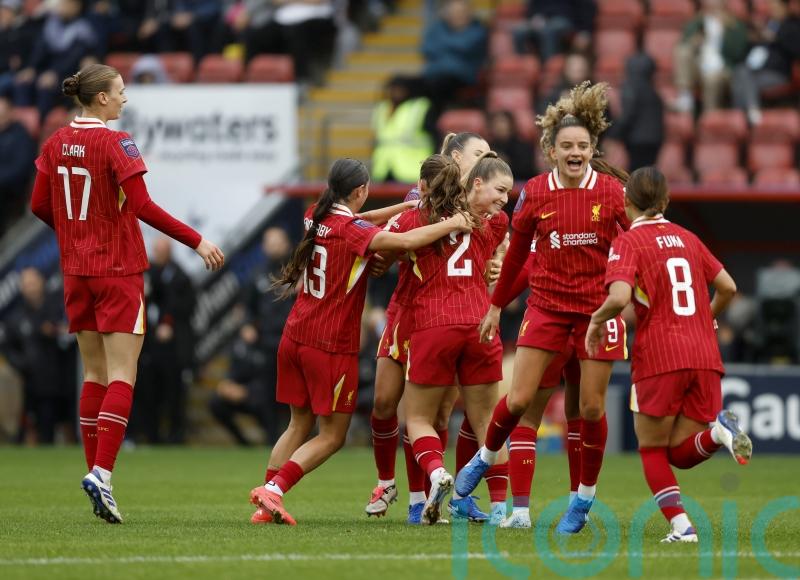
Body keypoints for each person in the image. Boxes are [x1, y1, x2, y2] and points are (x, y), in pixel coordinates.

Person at [29, 63, 224, 524]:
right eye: (119, 92)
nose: (124, 98)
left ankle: (96, 476)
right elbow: (143, 206)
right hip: (117, 271)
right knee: (122, 374)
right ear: (100, 99)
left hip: (76, 271)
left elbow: (39, 204)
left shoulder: (55, 142)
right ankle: (103, 473)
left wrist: (76, 236)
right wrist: (197, 241)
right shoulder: (117, 143)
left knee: (93, 374)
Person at [248, 158, 473, 526]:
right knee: (333, 436)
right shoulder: (352, 231)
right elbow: (404, 240)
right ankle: (274, 490)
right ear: (359, 192)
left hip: (294, 336)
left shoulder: (314, 215)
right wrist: (452, 222)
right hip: (329, 343)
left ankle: (266, 499)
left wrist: (404, 206)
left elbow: (363, 222)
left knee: (297, 425)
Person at [455, 81, 630, 535]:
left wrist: (642, 297)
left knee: (590, 410)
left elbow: (636, 245)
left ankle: (582, 502)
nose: (576, 152)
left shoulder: (611, 193)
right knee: (516, 400)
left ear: (592, 149)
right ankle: (485, 457)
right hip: (548, 308)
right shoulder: (534, 192)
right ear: (551, 150)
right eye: (567, 146)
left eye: (583, 146)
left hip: (596, 314)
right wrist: (495, 306)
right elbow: (516, 256)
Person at [585, 166, 750, 543]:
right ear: (666, 201)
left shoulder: (628, 241)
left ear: (626, 202)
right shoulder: (688, 237)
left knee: (652, 449)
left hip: (660, 354)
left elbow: (620, 298)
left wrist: (597, 321)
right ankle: (718, 434)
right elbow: (728, 287)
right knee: (678, 452)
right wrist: (701, 319)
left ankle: (682, 526)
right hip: (705, 354)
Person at [365, 131, 500, 525]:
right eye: (479, 152)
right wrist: (387, 257)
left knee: (439, 414)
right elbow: (395, 239)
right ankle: (388, 482)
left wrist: (497, 261)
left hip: (446, 315)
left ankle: (428, 499)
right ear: (455, 157)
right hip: (410, 309)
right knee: (387, 402)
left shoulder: (483, 200)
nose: (486, 158)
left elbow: (501, 243)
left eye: (489, 154)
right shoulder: (425, 192)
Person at [394, 152, 513, 525]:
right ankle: (501, 509)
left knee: (416, 418)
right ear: (472, 182)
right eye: (501, 190)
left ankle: (435, 473)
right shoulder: (492, 222)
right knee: (486, 424)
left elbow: (384, 241)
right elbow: (501, 241)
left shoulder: (418, 217)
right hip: (480, 324)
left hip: (435, 323)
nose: (504, 200)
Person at [0, 267, 77, 444]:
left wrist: (58, 332)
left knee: (71, 422)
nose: (31, 288)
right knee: (39, 428)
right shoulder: (16, 317)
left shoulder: (59, 306)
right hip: (35, 384)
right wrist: (23, 365)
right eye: (27, 284)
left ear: (42, 282)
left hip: (64, 379)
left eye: (33, 282)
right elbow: (8, 348)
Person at [135, 237, 197, 444]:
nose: (158, 254)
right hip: (150, 345)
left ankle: (175, 437)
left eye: (162, 250)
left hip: (174, 347)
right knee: (149, 391)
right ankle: (151, 436)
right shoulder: (148, 273)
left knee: (174, 394)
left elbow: (185, 306)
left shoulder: (180, 276)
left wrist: (168, 323)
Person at [239, 226, 295, 444]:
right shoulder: (257, 274)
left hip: (294, 340)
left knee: (297, 392)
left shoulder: (298, 271)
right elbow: (247, 308)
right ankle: (272, 438)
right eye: (269, 242)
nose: (273, 246)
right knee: (269, 391)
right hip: (267, 341)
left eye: (277, 241)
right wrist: (246, 326)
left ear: (287, 244)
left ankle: (300, 437)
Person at [14, 0, 97, 117]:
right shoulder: (51, 25)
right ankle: (22, 123)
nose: (62, 7)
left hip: (68, 75)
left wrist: (55, 73)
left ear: (76, 6)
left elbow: (73, 58)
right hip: (45, 72)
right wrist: (31, 68)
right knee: (22, 83)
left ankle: (40, 126)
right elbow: (40, 49)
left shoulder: (83, 29)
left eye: (66, 4)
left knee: (45, 88)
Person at [672, 0, 748, 114]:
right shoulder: (697, 22)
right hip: (700, 67)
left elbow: (738, 53)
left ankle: (710, 117)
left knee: (711, 79)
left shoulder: (735, 24)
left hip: (723, 69)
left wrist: (725, 30)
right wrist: (695, 42)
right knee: (683, 51)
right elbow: (684, 42)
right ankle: (685, 99)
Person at [731, 0, 800, 124]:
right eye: (771, 7)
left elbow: (795, 49)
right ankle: (745, 116)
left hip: (778, 74)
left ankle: (745, 115)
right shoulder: (768, 24)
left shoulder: (792, 25)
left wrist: (777, 37)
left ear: (785, 8)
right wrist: (756, 38)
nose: (773, 10)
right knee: (740, 72)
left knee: (744, 77)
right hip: (757, 71)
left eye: (776, 7)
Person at [420, 0, 487, 113]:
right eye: (454, 12)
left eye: (461, 12)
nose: (457, 15)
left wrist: (442, 45)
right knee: (407, 85)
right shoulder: (437, 27)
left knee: (438, 86)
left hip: (463, 76)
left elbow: (465, 46)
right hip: (433, 74)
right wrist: (453, 47)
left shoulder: (478, 29)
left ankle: (435, 120)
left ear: (469, 13)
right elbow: (426, 49)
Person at [371, 75, 435, 183]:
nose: (395, 92)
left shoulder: (419, 107)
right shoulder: (382, 108)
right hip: (383, 170)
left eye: (399, 89)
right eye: (393, 88)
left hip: (412, 171)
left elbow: (433, 137)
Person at [209, 336, 271, 446]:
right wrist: (228, 386)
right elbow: (233, 373)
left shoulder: (268, 346)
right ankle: (242, 442)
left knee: (265, 404)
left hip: (263, 395)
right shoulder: (238, 348)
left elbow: (268, 379)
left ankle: (273, 440)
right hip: (240, 395)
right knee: (216, 403)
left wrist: (247, 391)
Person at [609, 52, 664, 171]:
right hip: (654, 140)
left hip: (636, 140)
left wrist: (613, 134)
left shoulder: (630, 87)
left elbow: (628, 115)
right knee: (647, 173)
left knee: (636, 175)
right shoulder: (653, 91)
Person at [0, 95, 37, 237]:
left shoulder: (19, 134)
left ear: (11, 113)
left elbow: (22, 167)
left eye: (2, 114)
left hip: (12, 188)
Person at [487, 110, 536, 182]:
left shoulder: (524, 147)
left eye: (502, 122)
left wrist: (506, 164)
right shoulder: (488, 147)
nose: (499, 126)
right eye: (496, 123)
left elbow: (528, 171)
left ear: (511, 125)